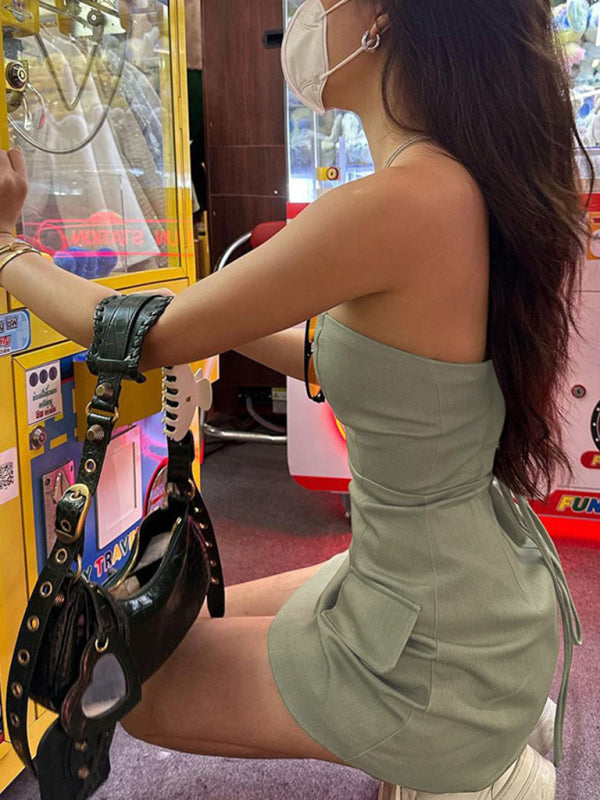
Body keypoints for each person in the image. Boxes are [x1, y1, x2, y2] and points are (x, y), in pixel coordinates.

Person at [0, 1, 586, 798]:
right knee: (189, 620)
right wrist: (214, 314)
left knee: (143, 688)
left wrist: (7, 246)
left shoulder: (405, 198)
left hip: (434, 637)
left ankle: (473, 765)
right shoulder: (449, 184)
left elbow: (145, 337)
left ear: (382, 19)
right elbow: (346, 358)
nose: (307, 17)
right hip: (443, 577)